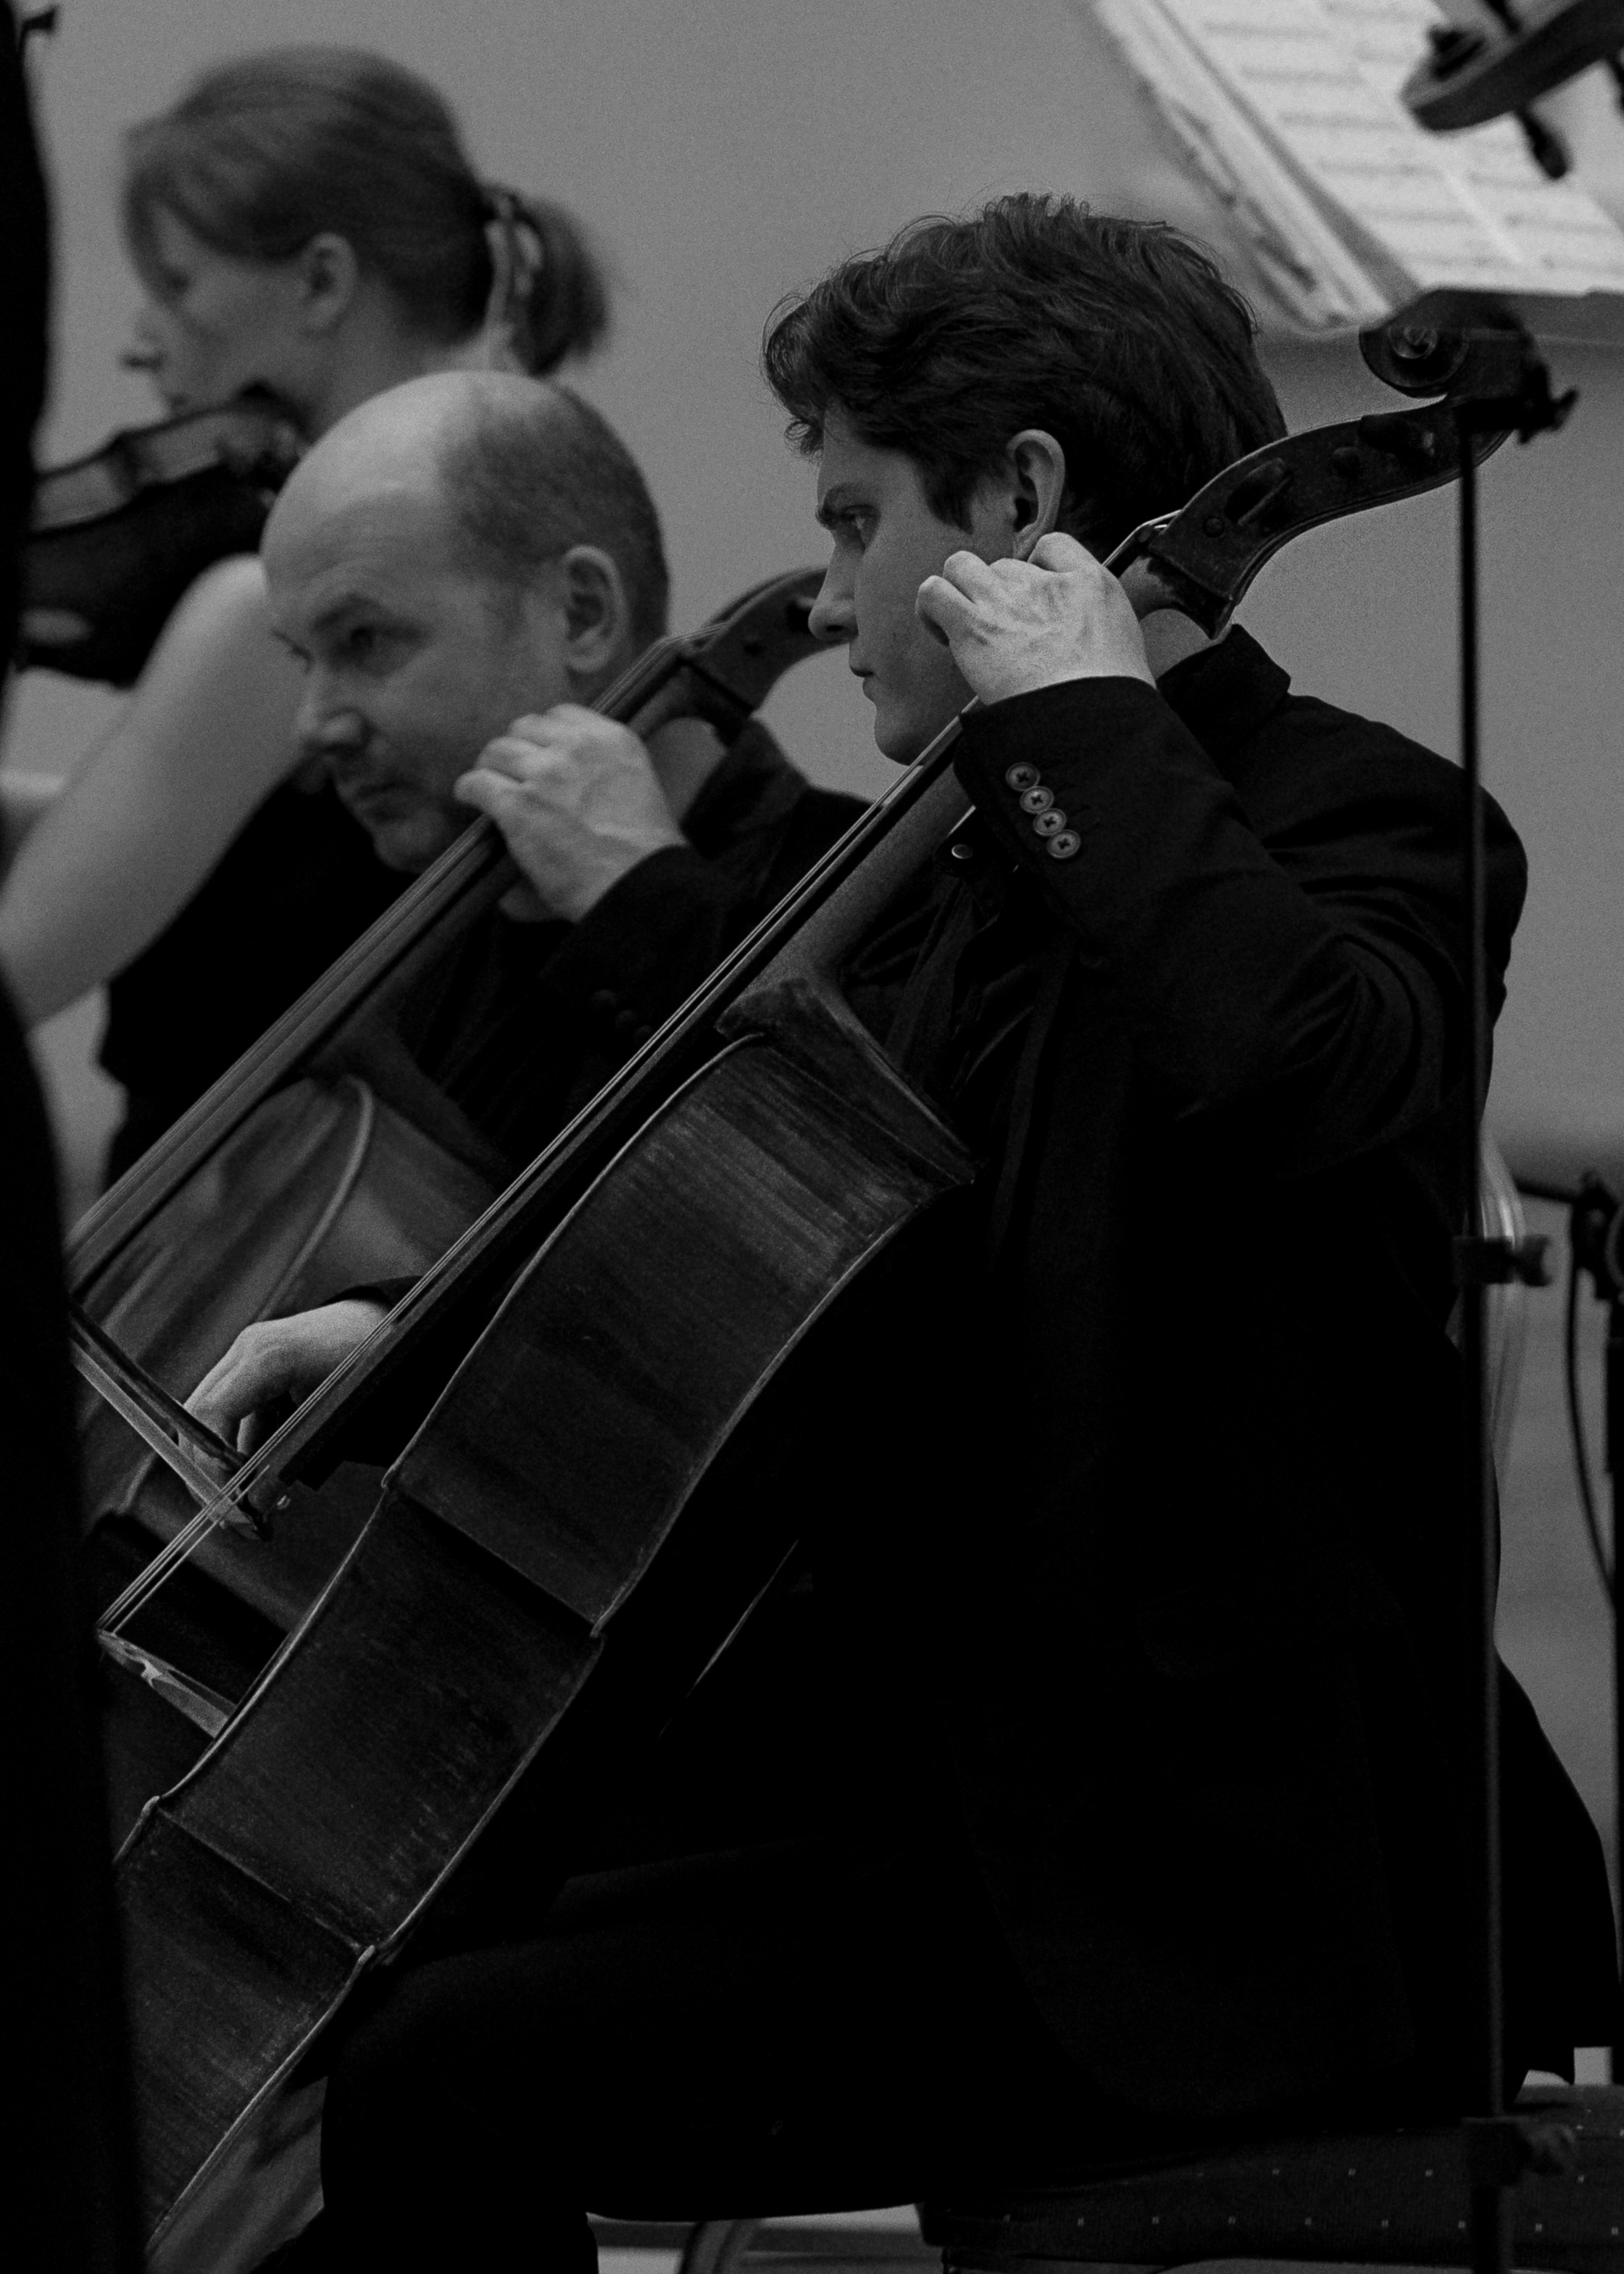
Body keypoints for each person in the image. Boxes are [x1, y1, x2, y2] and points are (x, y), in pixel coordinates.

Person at [253, 196, 1616, 2272]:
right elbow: (746, 1243)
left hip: (1210, 1887)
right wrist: (392, 1346)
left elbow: (1298, 1068)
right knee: (401, 1963)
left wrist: (1078, 725)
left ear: (1024, 507)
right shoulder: (939, 866)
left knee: (456, 2064)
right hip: (953, 1810)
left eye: (854, 522)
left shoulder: (1371, 821)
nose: (829, 593)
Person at [180, 365, 862, 1444]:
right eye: (303, 659)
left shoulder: (857, 906)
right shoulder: (415, 941)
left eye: (363, 642)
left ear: (579, 612)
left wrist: (639, 901)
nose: (315, 724)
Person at [0, 46, 609, 1180]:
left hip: (208, 1227)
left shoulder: (277, 611)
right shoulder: (479, 533)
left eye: (177, 283)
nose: (140, 339)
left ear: (323, 282)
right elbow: (248, 862)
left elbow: (14, 968)